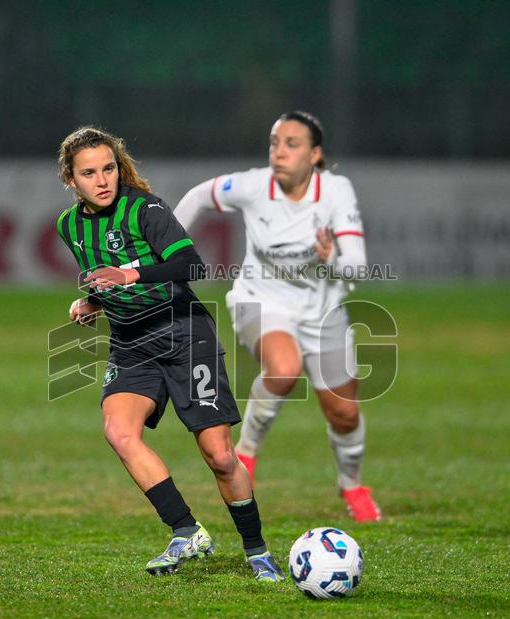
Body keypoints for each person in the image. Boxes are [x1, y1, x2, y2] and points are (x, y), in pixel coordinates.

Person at [55, 126, 285, 581]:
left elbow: (190, 265)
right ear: (71, 179)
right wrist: (93, 302)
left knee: (219, 455)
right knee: (119, 432)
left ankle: (257, 550)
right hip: (131, 341)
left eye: (108, 169)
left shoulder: (146, 208)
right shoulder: (69, 226)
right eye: (89, 173)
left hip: (184, 333)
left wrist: (130, 275)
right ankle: (186, 531)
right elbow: (105, 277)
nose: (102, 180)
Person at [173, 110, 381, 522]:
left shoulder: (336, 190)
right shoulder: (253, 185)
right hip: (259, 300)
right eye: (274, 143)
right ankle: (246, 454)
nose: (279, 152)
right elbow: (199, 196)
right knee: (283, 368)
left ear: (315, 154)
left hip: (323, 311)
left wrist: (332, 257)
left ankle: (352, 484)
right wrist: (166, 250)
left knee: (344, 413)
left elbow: (357, 267)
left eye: (291, 144)